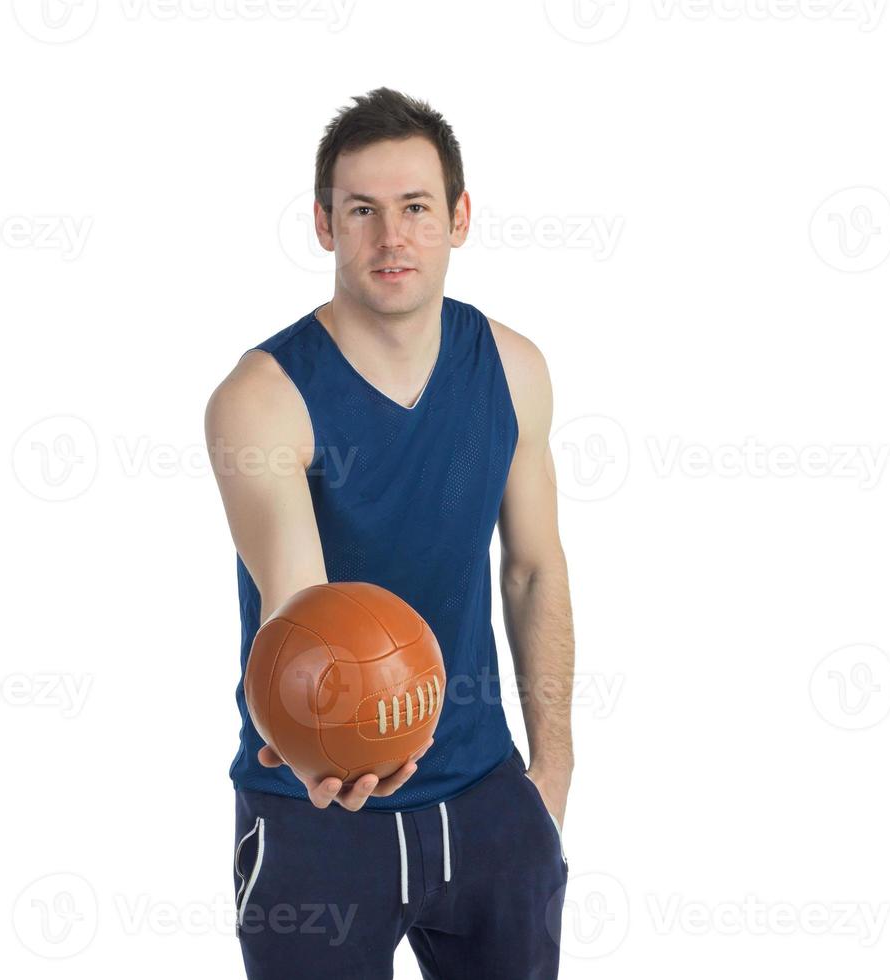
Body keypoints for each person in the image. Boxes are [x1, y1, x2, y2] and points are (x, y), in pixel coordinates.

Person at [205, 87, 576, 979]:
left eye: (415, 208)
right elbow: (302, 604)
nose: (391, 237)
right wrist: (323, 736)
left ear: (459, 216)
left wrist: (552, 772)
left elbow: (532, 572)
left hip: (489, 800)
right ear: (326, 225)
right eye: (361, 211)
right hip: (318, 806)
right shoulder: (260, 400)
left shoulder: (513, 368)